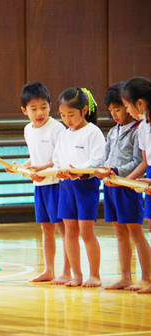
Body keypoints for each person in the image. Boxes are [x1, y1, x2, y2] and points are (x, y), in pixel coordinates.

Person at [93, 82, 150, 291]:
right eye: (111, 110)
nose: (116, 114)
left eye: (119, 108)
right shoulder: (114, 131)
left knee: (136, 233)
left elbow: (138, 162)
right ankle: (125, 276)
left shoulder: (138, 129)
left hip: (129, 187)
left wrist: (116, 172)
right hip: (111, 186)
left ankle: (147, 277)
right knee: (119, 233)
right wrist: (98, 169)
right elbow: (104, 157)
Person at [17, 82, 71, 284]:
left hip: (57, 185)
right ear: (24, 111)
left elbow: (59, 159)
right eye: (33, 108)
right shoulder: (28, 130)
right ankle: (49, 270)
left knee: (63, 228)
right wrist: (22, 166)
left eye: (43, 107)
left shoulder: (57, 128)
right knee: (46, 229)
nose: (39, 112)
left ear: (50, 106)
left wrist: (40, 170)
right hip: (40, 187)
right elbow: (35, 158)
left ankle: (67, 270)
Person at [53, 87, 105, 287]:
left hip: (86, 185)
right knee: (70, 231)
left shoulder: (93, 132)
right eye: (63, 115)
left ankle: (95, 275)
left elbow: (97, 159)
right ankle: (76, 275)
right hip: (66, 186)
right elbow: (57, 159)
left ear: (84, 110)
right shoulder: (64, 134)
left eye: (71, 114)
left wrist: (80, 170)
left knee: (86, 231)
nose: (67, 119)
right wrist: (60, 170)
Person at [120, 77, 151, 294]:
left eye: (128, 106)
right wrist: (127, 180)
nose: (127, 111)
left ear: (140, 103)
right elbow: (145, 161)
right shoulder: (143, 127)